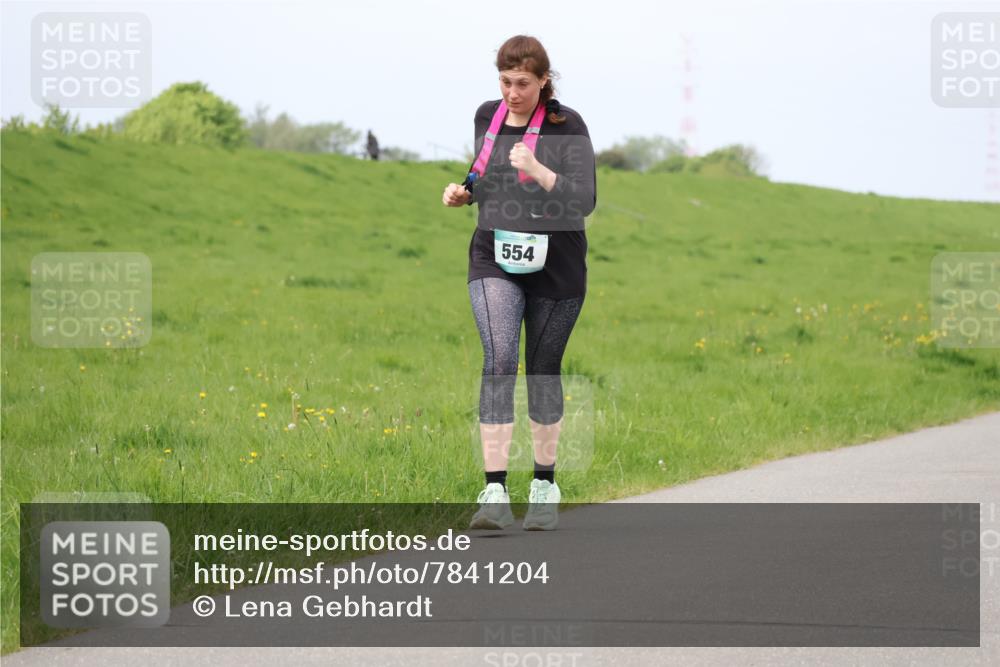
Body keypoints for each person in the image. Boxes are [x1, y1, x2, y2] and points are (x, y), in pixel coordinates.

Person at [442, 35, 596, 531]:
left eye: (523, 84)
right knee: (500, 358)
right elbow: (487, 176)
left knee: (543, 368)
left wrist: (539, 169)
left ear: (543, 81)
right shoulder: (487, 115)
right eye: (505, 82)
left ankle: (545, 486)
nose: (512, 93)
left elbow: (585, 200)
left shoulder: (567, 125)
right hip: (494, 252)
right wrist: (465, 191)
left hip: (557, 260)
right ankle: (493, 492)